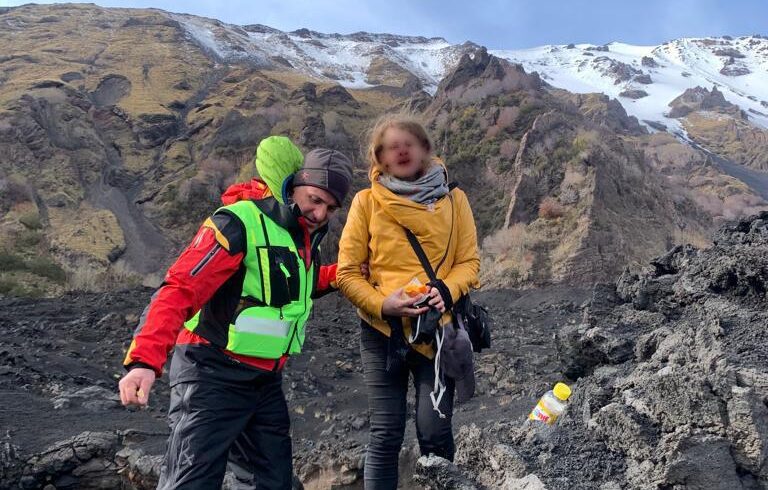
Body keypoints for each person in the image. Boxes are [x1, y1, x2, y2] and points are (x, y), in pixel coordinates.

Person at [118, 136, 353, 489]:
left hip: (264, 382)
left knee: (272, 483)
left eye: (331, 208)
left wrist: (346, 273)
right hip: (210, 373)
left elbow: (292, 289)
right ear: (294, 187)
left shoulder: (300, 237)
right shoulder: (238, 223)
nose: (320, 214)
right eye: (315, 200)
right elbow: (181, 288)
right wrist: (144, 362)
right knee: (191, 482)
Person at [336, 115, 480, 489]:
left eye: (409, 143)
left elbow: (469, 262)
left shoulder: (454, 199)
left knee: (434, 432)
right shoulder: (366, 202)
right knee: (385, 434)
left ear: (426, 149)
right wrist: (384, 305)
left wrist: (446, 291)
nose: (400, 150)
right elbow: (347, 272)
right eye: (390, 146)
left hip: (438, 333)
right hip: (381, 333)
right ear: (379, 158)